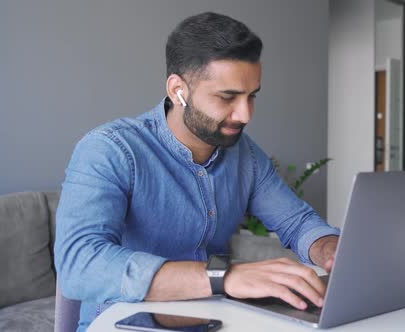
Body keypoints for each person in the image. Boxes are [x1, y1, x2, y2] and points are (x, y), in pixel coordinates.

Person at [54, 12, 340, 331]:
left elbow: (297, 222)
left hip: (215, 319)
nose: (245, 115)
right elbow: (79, 264)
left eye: (251, 96)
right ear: (178, 90)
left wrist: (330, 249)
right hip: (126, 322)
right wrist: (222, 278)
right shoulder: (110, 149)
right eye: (227, 97)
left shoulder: (246, 155)